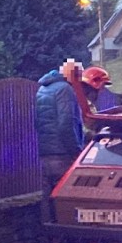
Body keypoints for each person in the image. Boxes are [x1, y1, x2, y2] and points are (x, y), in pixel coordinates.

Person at [36, 64, 85, 223]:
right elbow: (66, 123)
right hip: (62, 153)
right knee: (66, 197)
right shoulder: (65, 89)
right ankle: (67, 232)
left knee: (47, 196)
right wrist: (76, 151)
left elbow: (39, 122)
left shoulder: (42, 89)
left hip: (45, 152)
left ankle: (48, 236)